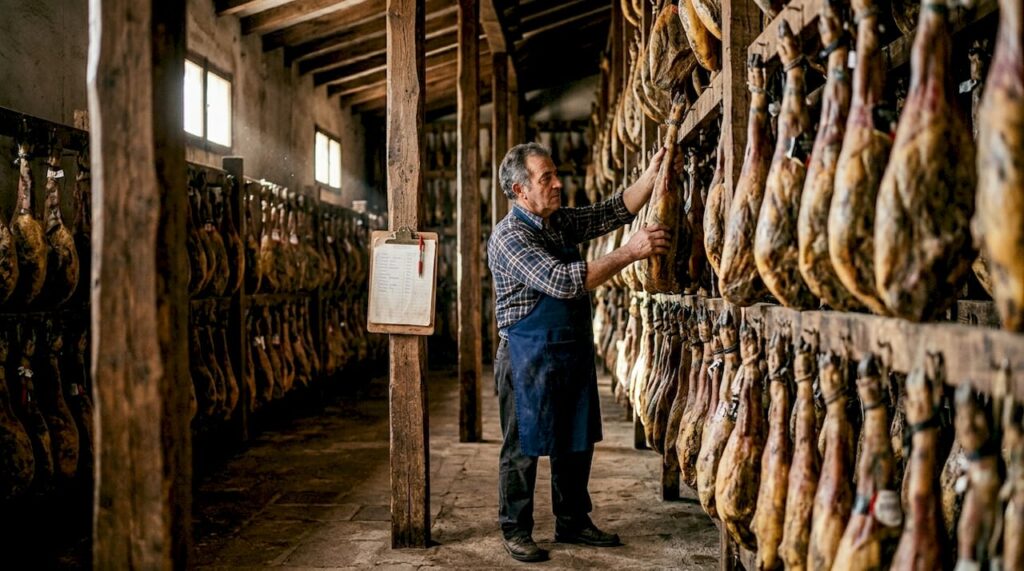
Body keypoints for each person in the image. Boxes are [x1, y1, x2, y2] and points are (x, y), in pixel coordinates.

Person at [487, 142, 670, 562]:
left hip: (568, 350)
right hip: (526, 357)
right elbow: (564, 280)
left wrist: (653, 173)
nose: (558, 183)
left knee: (575, 440)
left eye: (555, 174)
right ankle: (515, 528)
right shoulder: (510, 237)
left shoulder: (557, 222)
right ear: (520, 190)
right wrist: (631, 251)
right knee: (522, 449)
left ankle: (572, 520)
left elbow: (611, 211)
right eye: (546, 178)